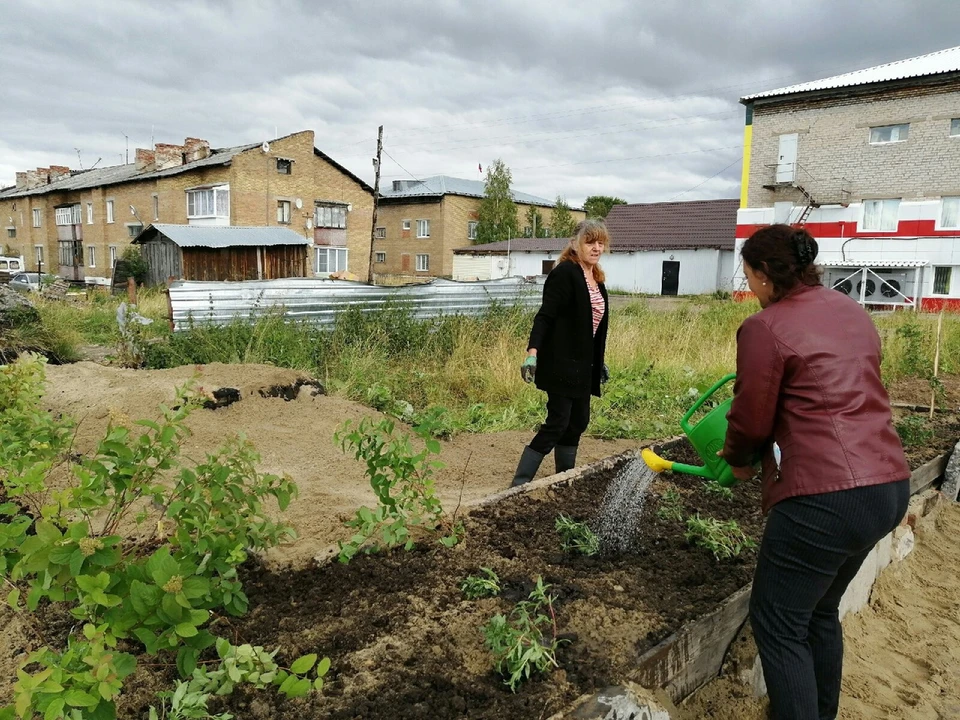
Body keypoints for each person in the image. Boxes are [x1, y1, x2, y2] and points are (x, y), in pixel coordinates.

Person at [719, 224, 911, 720]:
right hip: (888, 485)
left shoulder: (765, 327)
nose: (749, 287)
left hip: (827, 497)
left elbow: (752, 414)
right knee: (820, 611)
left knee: (778, 622)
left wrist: (738, 459)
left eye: (748, 276)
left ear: (765, 275)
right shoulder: (850, 309)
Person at [511, 219, 610, 487]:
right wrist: (533, 353)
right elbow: (545, 317)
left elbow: (592, 326)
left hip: (583, 366)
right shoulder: (565, 273)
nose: (596, 247)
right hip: (560, 363)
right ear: (575, 244)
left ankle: (563, 477)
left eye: (600, 242)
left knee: (578, 421)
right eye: (590, 242)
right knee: (558, 422)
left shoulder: (596, 279)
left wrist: (598, 362)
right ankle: (520, 483)